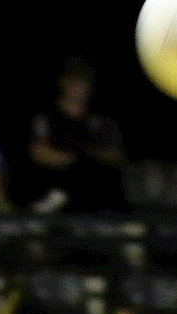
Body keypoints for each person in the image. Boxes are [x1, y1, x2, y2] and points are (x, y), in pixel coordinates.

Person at [28, 58, 125, 213]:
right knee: (77, 170)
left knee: (98, 174)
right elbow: (38, 152)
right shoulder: (46, 118)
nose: (80, 88)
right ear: (63, 83)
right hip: (55, 178)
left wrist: (91, 156)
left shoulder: (101, 120)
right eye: (75, 82)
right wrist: (74, 158)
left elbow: (116, 155)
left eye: (84, 83)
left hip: (93, 181)